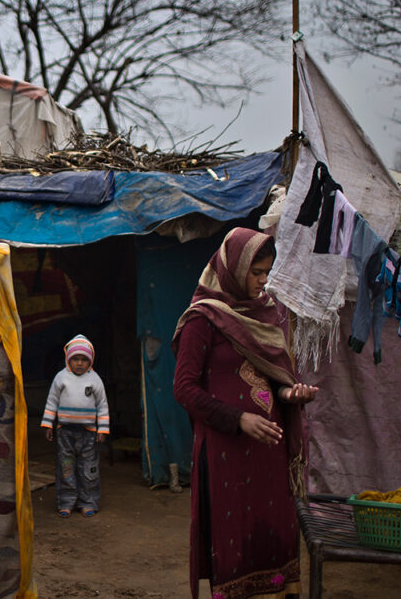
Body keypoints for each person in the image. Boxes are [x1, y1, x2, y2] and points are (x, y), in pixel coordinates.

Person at [172, 227, 317, 599]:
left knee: (273, 533)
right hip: (227, 454)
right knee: (234, 538)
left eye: (266, 272)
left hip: (269, 451)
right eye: (256, 272)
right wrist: (238, 419)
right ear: (233, 269)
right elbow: (184, 389)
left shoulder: (265, 313)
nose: (263, 281)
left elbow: (272, 376)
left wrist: (289, 392)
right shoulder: (201, 319)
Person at [41, 334, 109, 518]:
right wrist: (48, 425)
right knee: (66, 468)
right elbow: (51, 402)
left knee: (89, 469)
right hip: (65, 433)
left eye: (84, 359)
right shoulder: (61, 378)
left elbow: (102, 406)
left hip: (88, 434)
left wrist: (102, 429)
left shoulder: (94, 380)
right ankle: (66, 502)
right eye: (75, 359)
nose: (79, 363)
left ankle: (88, 502)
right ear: (68, 359)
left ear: (90, 360)